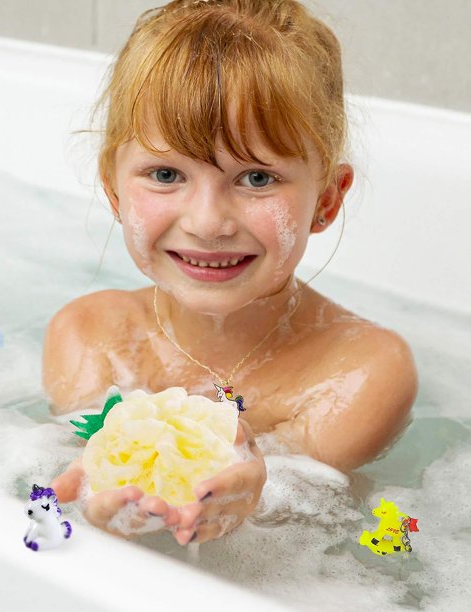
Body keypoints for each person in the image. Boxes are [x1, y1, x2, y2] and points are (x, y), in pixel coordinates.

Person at [43, 0, 418, 546]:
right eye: (166, 174)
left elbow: (328, 538)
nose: (207, 223)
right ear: (114, 190)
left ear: (327, 201)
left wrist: (264, 498)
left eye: (257, 179)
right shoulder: (89, 337)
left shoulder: (359, 373)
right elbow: (54, 486)